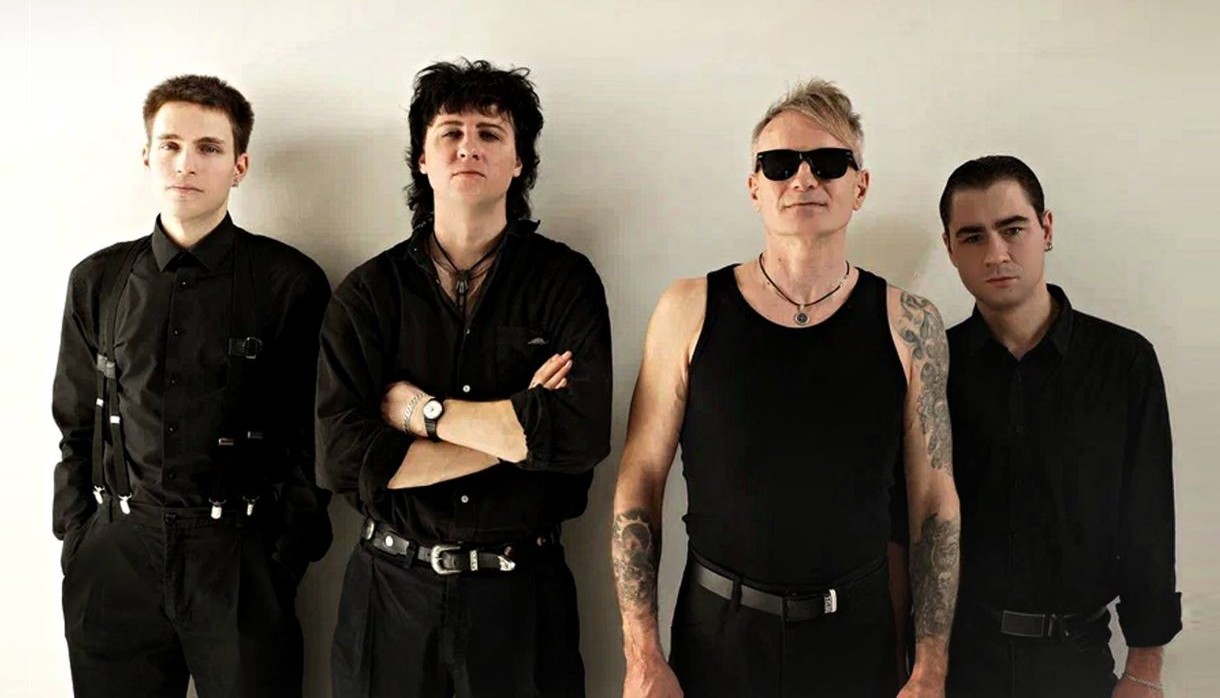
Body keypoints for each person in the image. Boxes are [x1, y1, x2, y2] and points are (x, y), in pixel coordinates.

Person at [611, 78, 961, 697]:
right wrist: (641, 655)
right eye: (779, 164)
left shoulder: (911, 324)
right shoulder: (688, 309)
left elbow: (934, 504)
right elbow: (640, 479)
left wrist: (930, 668)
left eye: (828, 162)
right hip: (718, 637)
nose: (803, 179)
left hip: (855, 640)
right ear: (755, 187)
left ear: (860, 186)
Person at [316, 59, 612, 697]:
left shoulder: (566, 282)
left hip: (523, 599)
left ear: (519, 161)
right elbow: (343, 458)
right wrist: (517, 427)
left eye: (490, 133)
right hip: (390, 594)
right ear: (422, 159)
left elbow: (579, 436)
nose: (468, 146)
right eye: (450, 131)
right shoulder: (368, 294)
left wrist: (423, 414)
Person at [52, 74, 332, 697]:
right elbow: (74, 421)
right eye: (170, 145)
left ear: (239, 166)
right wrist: (78, 536)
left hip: (241, 558)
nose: (186, 164)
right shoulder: (97, 280)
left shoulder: (289, 281)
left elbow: (310, 433)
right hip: (115, 559)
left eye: (209, 148)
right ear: (146, 155)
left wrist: (285, 555)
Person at [939, 155, 1180, 697]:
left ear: (1045, 229)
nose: (996, 254)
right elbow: (906, 525)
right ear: (950, 248)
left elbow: (1148, 520)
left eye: (1012, 229)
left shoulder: (1123, 362)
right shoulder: (935, 366)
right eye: (973, 236)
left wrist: (1145, 669)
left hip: (1078, 660)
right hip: (960, 664)